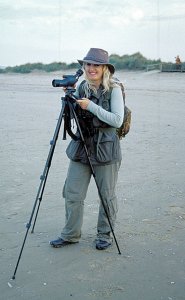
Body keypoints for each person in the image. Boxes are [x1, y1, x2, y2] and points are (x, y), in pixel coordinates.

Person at [50, 48, 124, 250]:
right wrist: (71, 101)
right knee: (72, 193)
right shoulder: (82, 87)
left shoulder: (114, 89)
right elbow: (76, 120)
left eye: (96, 65)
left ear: (104, 68)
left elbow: (117, 120)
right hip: (82, 147)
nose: (91, 68)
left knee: (106, 196)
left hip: (106, 150)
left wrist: (90, 106)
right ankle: (70, 234)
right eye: (88, 64)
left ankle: (104, 235)